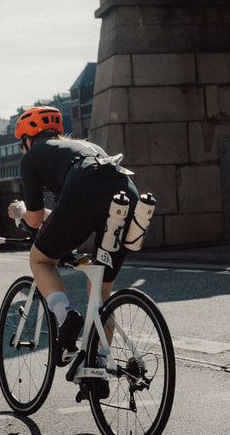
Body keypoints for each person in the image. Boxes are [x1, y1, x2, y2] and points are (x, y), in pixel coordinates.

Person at [7, 106, 139, 366]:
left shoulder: (33, 155)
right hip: (126, 192)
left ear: (27, 139)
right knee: (101, 292)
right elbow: (63, 212)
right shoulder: (83, 147)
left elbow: (34, 219)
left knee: (41, 260)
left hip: (83, 190)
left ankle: (65, 317)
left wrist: (19, 211)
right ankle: (100, 364)